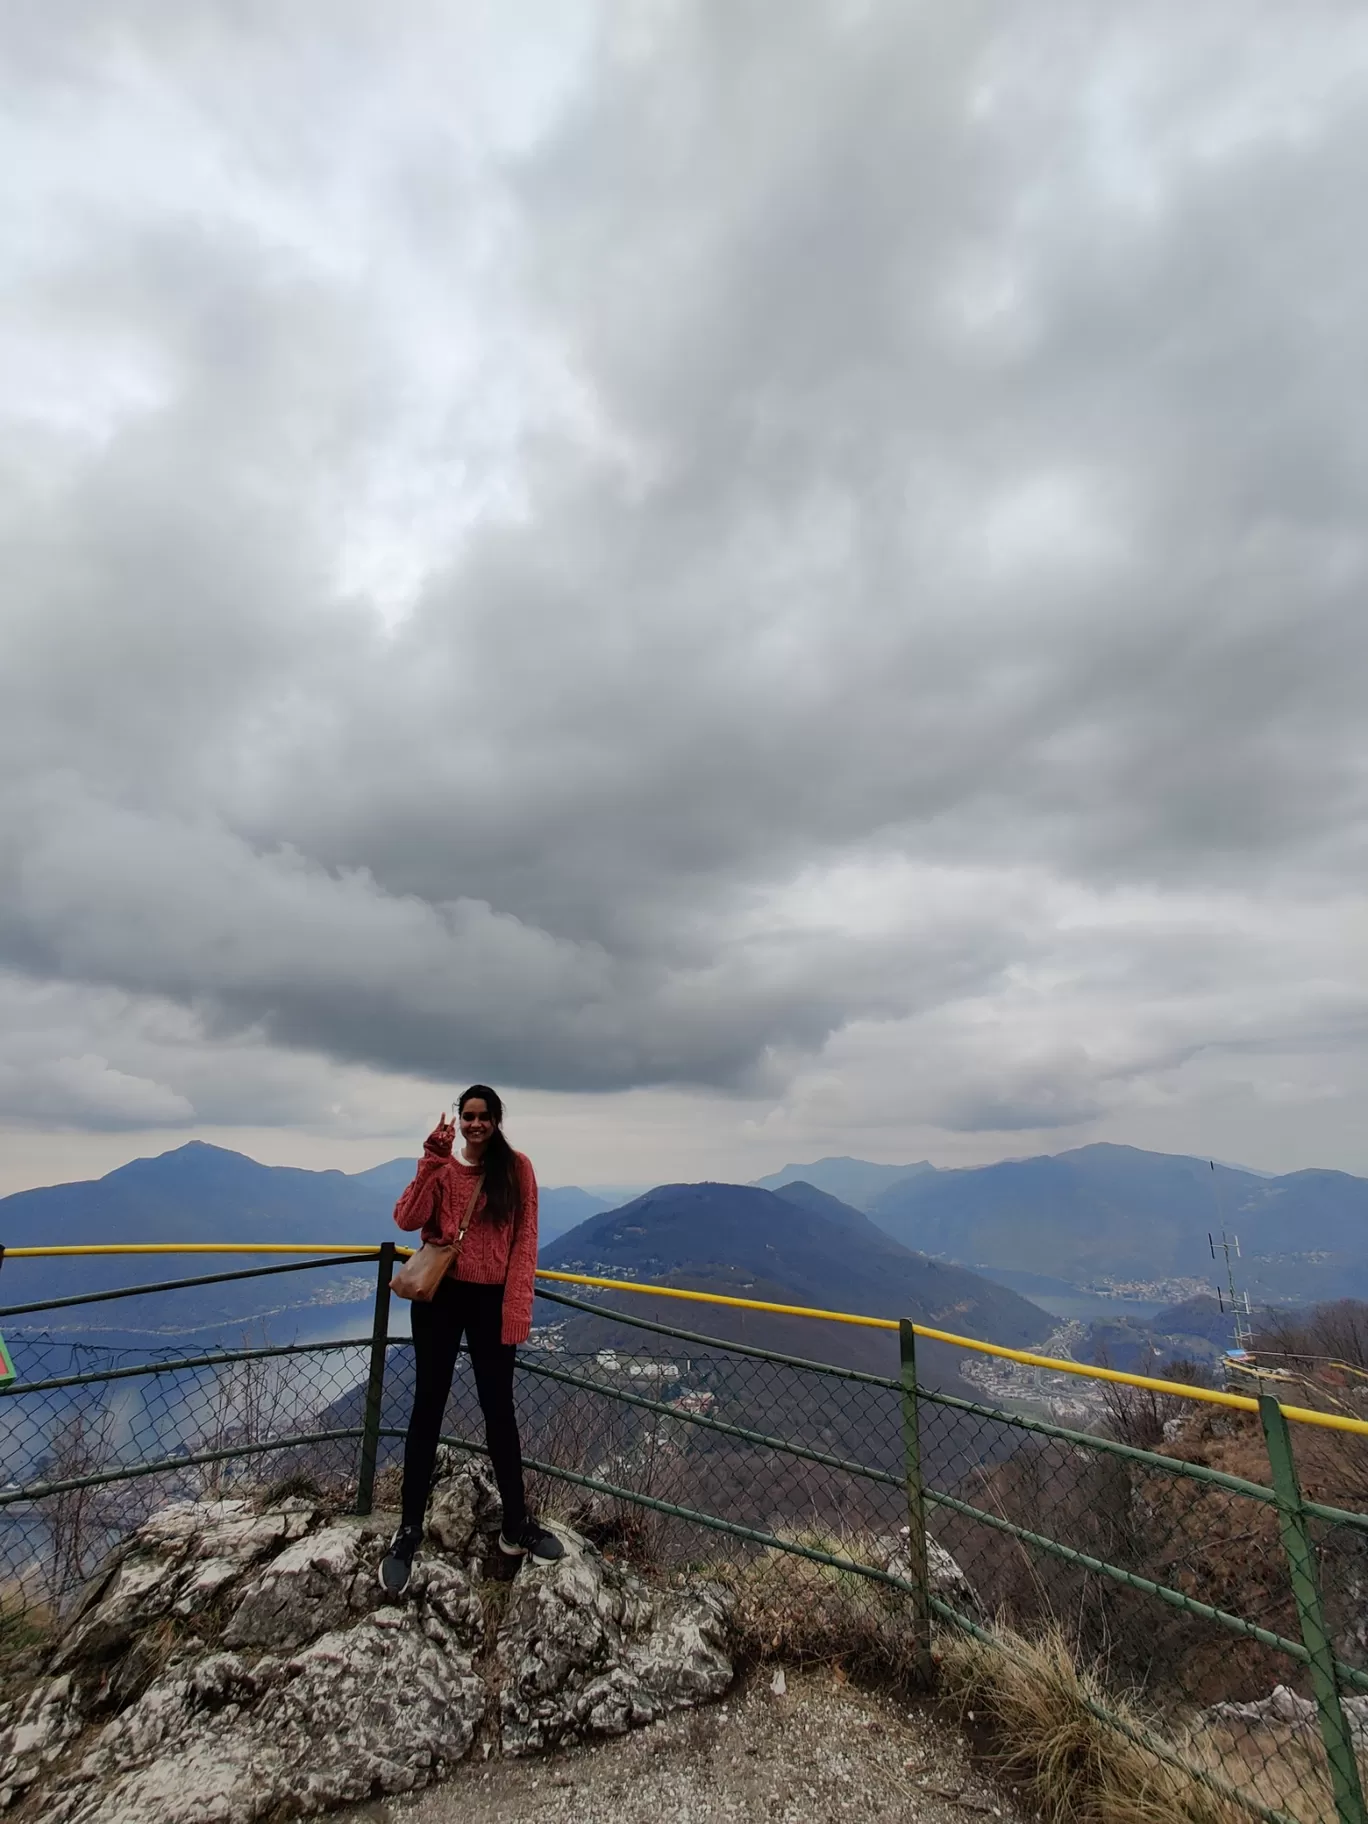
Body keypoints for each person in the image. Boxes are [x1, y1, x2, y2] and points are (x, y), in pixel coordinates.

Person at [379, 1084, 564, 1595]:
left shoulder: (517, 1168)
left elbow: (525, 1243)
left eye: (483, 1116)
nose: (475, 1124)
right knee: (427, 1408)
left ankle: (516, 1524)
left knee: (499, 1413)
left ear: (497, 1119)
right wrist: (430, 1160)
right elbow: (407, 1219)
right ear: (458, 1121)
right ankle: (409, 1529)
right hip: (441, 1299)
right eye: (468, 1116)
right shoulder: (441, 1167)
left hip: (490, 1303)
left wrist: (516, 1311)